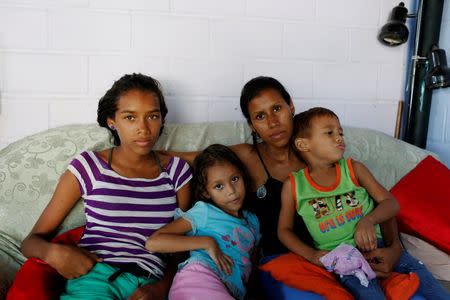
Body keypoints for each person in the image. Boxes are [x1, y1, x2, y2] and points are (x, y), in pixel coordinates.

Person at [20, 73, 192, 300]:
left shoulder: (177, 172)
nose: (143, 128)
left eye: (152, 116)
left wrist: (163, 287)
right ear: (112, 121)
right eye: (130, 117)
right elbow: (31, 242)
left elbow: (182, 249)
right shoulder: (89, 166)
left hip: (149, 285)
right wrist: (54, 253)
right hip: (95, 278)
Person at [278, 107, 450, 300]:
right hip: (344, 260)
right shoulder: (294, 186)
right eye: (329, 133)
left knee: (436, 292)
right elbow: (284, 230)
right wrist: (312, 255)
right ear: (303, 144)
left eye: (340, 132)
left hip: (380, 246)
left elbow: (390, 203)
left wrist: (368, 220)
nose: (339, 138)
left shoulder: (354, 169)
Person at [146, 144, 260, 300]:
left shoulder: (252, 221)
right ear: (206, 192)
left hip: (230, 291)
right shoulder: (204, 212)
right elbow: (154, 242)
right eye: (218, 186)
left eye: (235, 179)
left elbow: (252, 268)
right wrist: (207, 242)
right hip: (198, 279)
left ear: (243, 176)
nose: (231, 191)